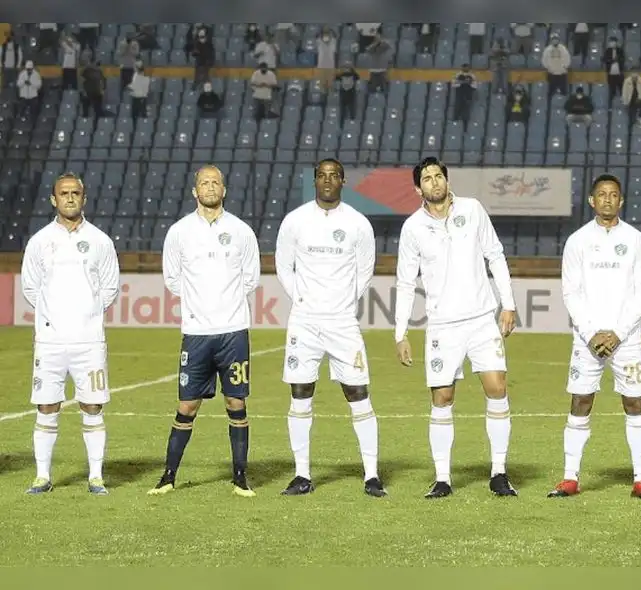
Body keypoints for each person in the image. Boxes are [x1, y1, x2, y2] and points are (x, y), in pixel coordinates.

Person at [394, 157, 518, 499]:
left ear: (446, 181)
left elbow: (495, 255)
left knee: (497, 387)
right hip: (442, 326)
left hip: (481, 319)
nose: (434, 182)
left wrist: (508, 303)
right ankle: (443, 478)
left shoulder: (473, 210)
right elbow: (406, 281)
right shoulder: (413, 228)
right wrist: (400, 332)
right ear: (418, 188)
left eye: (438, 176)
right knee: (443, 398)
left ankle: (499, 472)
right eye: (427, 178)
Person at [148, 165, 261, 497]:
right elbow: (172, 278)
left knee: (236, 402)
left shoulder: (241, 232)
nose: (210, 187)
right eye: (204, 183)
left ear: (224, 190)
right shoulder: (180, 232)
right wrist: (202, 303)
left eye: (215, 182)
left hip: (233, 332)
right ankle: (168, 477)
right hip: (196, 333)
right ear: (194, 191)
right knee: (187, 406)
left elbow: (250, 278)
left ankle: (240, 478)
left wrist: (224, 305)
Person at [274, 159, 384, 497]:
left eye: (334, 176)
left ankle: (371, 476)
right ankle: (302, 475)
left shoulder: (357, 223)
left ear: (343, 181)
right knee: (300, 394)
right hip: (304, 321)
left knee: (358, 394)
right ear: (314, 181)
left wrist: (342, 303)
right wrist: (303, 299)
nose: (327, 181)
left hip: (341, 322)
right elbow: (283, 265)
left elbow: (365, 269)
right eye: (321, 176)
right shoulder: (295, 220)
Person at [547, 174, 641, 501]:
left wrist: (617, 332)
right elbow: (571, 292)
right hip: (587, 339)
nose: (607, 200)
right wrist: (592, 331)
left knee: (635, 402)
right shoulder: (578, 241)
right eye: (601, 195)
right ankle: (569, 478)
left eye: (614, 195)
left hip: (627, 339)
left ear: (621, 201)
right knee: (580, 401)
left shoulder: (637, 240)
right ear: (592, 201)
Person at [20, 173, 120, 495]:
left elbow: (109, 288)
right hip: (49, 342)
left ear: (84, 198)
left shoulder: (101, 241)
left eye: (76, 192)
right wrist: (55, 317)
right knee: (47, 406)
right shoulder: (39, 242)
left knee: (92, 407)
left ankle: (95, 476)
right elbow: (30, 288)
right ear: (54, 199)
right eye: (64, 193)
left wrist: (86, 314)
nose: (70, 198)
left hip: (89, 342)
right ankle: (42, 477)